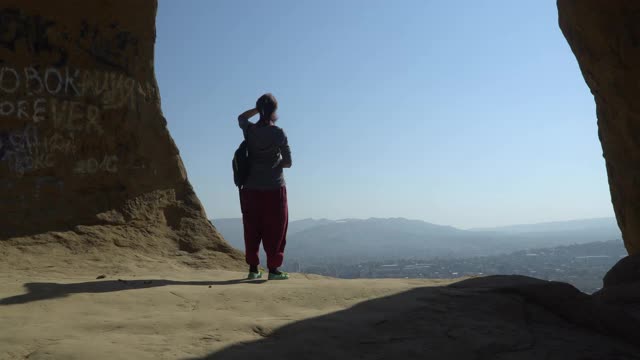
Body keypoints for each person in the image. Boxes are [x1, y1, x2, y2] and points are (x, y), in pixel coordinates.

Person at [237, 93, 292, 280]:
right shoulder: (278, 133)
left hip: (250, 188)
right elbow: (288, 162)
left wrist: (257, 109)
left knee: (252, 227)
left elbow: (241, 117)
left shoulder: (250, 130)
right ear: (275, 111)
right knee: (276, 229)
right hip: (274, 188)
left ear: (259, 110)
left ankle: (253, 269)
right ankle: (274, 270)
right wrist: (275, 164)